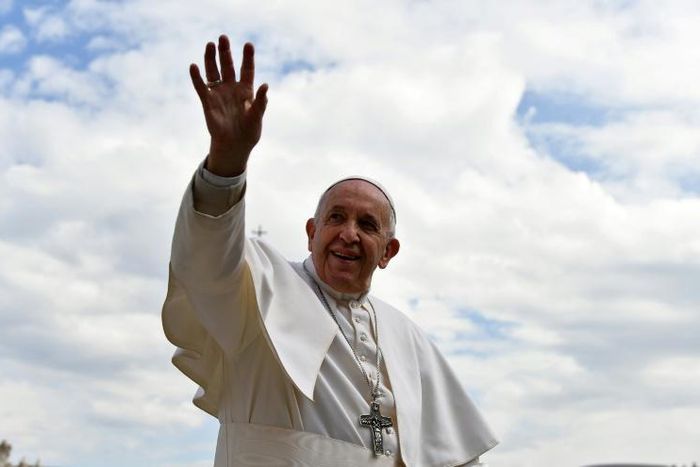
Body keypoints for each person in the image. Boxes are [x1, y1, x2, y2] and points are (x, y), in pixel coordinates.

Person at [162, 34, 498, 467]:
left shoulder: (407, 337)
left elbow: (455, 459)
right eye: (336, 218)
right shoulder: (259, 291)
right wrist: (227, 164)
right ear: (311, 232)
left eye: (367, 225)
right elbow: (205, 261)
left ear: (388, 251)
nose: (349, 234)